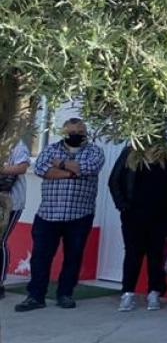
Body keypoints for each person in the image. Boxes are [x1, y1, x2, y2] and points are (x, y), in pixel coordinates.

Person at [15, 119, 106, 312]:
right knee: (40, 257)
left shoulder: (94, 151)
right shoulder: (50, 149)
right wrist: (71, 172)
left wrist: (60, 165)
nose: (76, 134)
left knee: (73, 257)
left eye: (80, 131)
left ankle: (65, 294)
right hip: (48, 214)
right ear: (64, 133)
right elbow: (40, 169)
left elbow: (89, 168)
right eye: (72, 131)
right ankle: (36, 296)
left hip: (80, 214)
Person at [108, 146, 167, 312]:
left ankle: (154, 292)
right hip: (133, 214)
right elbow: (114, 180)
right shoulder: (130, 153)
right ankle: (128, 293)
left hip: (162, 215)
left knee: (156, 254)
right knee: (132, 253)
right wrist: (122, 205)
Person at [1, 137, 32, 299]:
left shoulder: (16, 143)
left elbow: (22, 167)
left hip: (10, 203)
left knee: (0, 241)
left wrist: (2, 169)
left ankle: (0, 283)